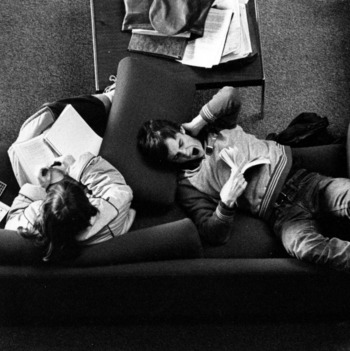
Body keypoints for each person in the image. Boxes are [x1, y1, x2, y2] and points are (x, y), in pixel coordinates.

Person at [137, 86, 350, 272]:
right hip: (280, 215)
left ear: (181, 130)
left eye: (182, 143)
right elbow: (212, 234)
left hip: (304, 182)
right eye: (177, 156)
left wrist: (198, 121)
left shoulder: (215, 128)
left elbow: (230, 95)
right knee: (305, 248)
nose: (187, 153)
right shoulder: (188, 186)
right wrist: (226, 202)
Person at [5, 79, 136, 262]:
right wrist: (72, 165)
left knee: (30, 131)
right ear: (90, 207)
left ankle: (95, 101)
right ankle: (109, 96)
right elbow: (114, 181)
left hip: (40, 185)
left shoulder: (30, 223)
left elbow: (14, 218)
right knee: (57, 116)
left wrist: (41, 187)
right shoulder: (111, 210)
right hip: (82, 177)